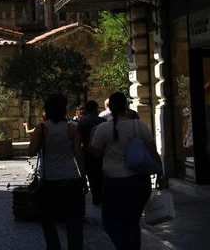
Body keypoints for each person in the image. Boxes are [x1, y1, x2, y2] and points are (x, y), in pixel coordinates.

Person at [90, 92, 166, 250]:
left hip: (115, 183)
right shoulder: (139, 125)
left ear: (109, 108)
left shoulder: (103, 129)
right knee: (132, 222)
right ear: (125, 106)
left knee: (110, 222)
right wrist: (160, 174)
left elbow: (94, 153)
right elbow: (153, 152)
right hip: (140, 181)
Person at [28, 94, 87, 250]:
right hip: (72, 178)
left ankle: (54, 247)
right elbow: (78, 155)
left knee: (48, 218)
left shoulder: (42, 128)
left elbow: (31, 151)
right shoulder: (71, 128)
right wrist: (83, 178)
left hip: (50, 180)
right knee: (73, 219)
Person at [77, 100, 106, 205]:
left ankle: (96, 196)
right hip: (102, 152)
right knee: (102, 175)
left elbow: (78, 140)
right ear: (96, 108)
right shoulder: (102, 121)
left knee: (92, 176)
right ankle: (103, 195)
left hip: (87, 153)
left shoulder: (82, 123)